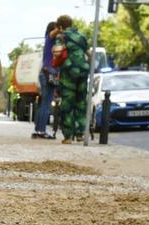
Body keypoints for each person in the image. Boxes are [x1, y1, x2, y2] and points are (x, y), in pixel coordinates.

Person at [52, 15, 90, 144]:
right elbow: (89, 53)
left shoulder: (61, 37)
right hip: (83, 71)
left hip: (69, 72)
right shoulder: (82, 36)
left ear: (60, 26)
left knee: (67, 104)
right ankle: (80, 134)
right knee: (81, 102)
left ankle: (68, 136)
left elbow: (57, 53)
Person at [32, 22, 59, 140]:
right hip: (49, 73)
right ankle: (41, 131)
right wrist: (60, 28)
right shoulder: (50, 38)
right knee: (47, 104)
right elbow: (54, 33)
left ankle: (38, 130)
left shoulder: (50, 42)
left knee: (44, 103)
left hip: (46, 73)